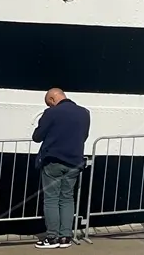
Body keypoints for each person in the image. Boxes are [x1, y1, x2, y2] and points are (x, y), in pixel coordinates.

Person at [32, 89, 90, 249]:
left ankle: (52, 237)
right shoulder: (84, 113)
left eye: (49, 103)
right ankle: (65, 237)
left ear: (52, 99)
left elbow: (37, 136)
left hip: (54, 161)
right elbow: (84, 136)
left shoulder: (51, 113)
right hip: (75, 161)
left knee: (51, 199)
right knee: (67, 198)